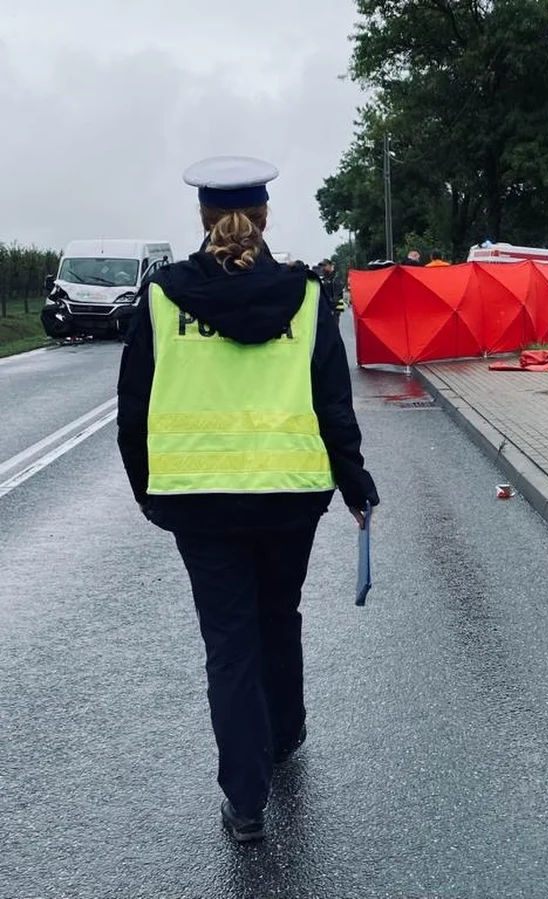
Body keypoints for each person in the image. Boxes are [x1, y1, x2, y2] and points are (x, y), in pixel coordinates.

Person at [115, 155, 380, 843]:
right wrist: (356, 485)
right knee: (278, 613)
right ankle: (284, 734)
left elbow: (133, 405)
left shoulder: (163, 295)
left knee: (230, 640)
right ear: (265, 217)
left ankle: (246, 800)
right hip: (289, 495)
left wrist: (146, 488)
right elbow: (333, 403)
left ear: (203, 218)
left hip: (200, 501)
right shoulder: (307, 294)